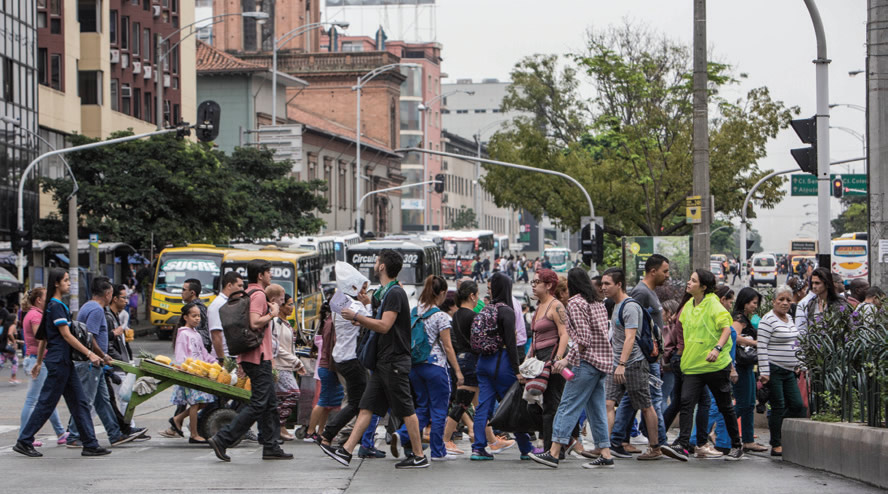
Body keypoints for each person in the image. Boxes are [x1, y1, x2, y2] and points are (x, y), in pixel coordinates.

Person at [320, 250, 430, 469]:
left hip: (394, 361)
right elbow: (378, 318)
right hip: (383, 362)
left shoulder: (395, 293)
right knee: (366, 406)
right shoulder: (385, 293)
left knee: (406, 409)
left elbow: (384, 325)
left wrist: (358, 317)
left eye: (377, 261)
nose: (375, 263)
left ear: (382, 267)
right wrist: (365, 311)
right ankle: (346, 451)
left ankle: (418, 455)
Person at [14, 269, 112, 458]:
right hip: (59, 362)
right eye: (66, 280)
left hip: (62, 361)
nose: (69, 283)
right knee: (46, 403)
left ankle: (90, 444)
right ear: (57, 283)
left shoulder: (54, 305)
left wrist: (40, 361)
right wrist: (90, 353)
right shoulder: (56, 306)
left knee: (80, 402)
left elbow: (43, 337)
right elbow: (66, 335)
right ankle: (24, 440)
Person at [529, 268, 615, 469]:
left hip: (585, 363)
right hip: (601, 363)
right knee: (596, 410)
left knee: (567, 406)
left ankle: (554, 451)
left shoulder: (576, 303)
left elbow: (583, 339)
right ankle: (606, 453)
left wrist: (567, 359)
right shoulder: (597, 303)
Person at [208, 259, 292, 462]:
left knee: (270, 403)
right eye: (269, 272)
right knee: (258, 403)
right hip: (257, 357)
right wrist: (272, 314)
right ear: (261, 275)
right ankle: (223, 438)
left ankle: (271, 446)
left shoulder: (249, 293)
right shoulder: (259, 295)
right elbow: (255, 323)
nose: (271, 276)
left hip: (253, 356)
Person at [661, 269, 744, 462]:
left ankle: (737, 445)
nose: (688, 283)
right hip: (693, 367)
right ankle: (682, 445)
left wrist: (716, 349)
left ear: (704, 287)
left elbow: (726, 328)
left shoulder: (714, 305)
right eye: (689, 280)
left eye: (693, 281)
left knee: (725, 406)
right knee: (686, 403)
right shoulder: (688, 305)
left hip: (715, 366)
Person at [599, 268, 667, 461]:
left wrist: (622, 364)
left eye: (607, 284)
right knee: (608, 403)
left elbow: (630, 338)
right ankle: (604, 447)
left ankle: (655, 447)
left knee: (646, 405)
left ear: (619, 284)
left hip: (634, 364)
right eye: (602, 284)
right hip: (616, 363)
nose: (603, 288)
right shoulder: (615, 305)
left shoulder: (630, 306)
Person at [66, 278, 142, 448]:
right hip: (90, 362)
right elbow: (90, 336)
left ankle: (115, 434)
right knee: (86, 400)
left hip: (95, 363)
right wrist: (102, 354)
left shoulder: (87, 306)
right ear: (108, 294)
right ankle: (74, 435)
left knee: (103, 400)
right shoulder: (97, 310)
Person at [394, 275, 463, 461]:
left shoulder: (415, 312)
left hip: (415, 367)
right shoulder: (441, 316)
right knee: (439, 410)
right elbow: (448, 347)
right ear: (441, 293)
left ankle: (402, 434)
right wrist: (457, 371)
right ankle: (438, 451)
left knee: (422, 408)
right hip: (436, 368)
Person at [320, 262, 384, 458]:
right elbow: (373, 323)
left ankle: (329, 436)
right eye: (363, 288)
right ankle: (329, 435)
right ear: (354, 288)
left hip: (341, 357)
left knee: (357, 401)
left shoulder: (339, 301)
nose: (366, 292)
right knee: (360, 402)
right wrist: (366, 305)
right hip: (351, 359)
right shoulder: (354, 306)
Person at [468, 272, 534, 461]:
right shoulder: (507, 311)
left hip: (483, 362)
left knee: (482, 407)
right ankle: (525, 448)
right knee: (514, 405)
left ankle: (478, 448)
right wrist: (517, 370)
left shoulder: (486, 309)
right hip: (502, 362)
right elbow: (511, 345)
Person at [757, 285, 806, 457]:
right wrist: (764, 371)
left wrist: (800, 363)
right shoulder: (767, 320)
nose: (785, 303)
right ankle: (776, 443)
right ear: (774, 302)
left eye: (788, 300)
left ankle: (777, 426)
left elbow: (796, 343)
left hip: (790, 370)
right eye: (781, 300)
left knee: (797, 405)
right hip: (774, 369)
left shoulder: (789, 319)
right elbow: (761, 346)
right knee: (778, 405)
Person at [526, 268, 570, 453]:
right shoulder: (539, 307)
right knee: (532, 403)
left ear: (549, 285)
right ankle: (553, 446)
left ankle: (553, 450)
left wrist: (558, 360)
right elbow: (535, 337)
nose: (534, 287)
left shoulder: (556, 306)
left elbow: (564, 334)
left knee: (552, 405)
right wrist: (527, 359)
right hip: (538, 360)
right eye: (533, 283)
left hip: (552, 359)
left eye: (537, 282)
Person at [19, 288, 68, 447]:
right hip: (37, 360)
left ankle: (60, 432)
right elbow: (41, 339)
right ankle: (24, 435)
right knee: (32, 400)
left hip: (36, 359)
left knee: (47, 398)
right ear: (39, 300)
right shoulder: (35, 316)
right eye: (46, 297)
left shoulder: (33, 314)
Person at [163, 303, 216, 443]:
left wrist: (214, 362)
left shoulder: (196, 334)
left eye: (198, 316)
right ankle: (194, 434)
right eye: (194, 316)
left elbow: (203, 353)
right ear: (185, 317)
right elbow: (181, 356)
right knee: (195, 403)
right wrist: (187, 369)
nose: (197, 319)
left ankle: (177, 419)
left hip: (199, 373)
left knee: (203, 403)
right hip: (190, 374)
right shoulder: (183, 334)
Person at [731, 287, 767, 452]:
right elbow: (734, 336)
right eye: (753, 303)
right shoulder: (739, 319)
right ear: (745, 303)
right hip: (740, 365)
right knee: (744, 402)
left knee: (750, 402)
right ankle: (721, 429)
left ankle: (748, 439)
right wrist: (754, 343)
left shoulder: (747, 318)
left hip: (747, 365)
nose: (755, 306)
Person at [271, 291, 307, 441]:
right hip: (279, 365)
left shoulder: (285, 322)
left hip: (287, 365)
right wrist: (296, 361)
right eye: (289, 304)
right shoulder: (275, 323)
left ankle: (280, 427)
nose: (292, 307)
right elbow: (276, 347)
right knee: (293, 392)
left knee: (280, 398)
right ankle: (279, 425)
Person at [207, 271, 244, 363]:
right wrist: (222, 360)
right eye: (239, 286)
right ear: (229, 286)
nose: (242, 289)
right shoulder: (218, 304)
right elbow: (216, 335)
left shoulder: (229, 302)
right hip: (225, 357)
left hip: (233, 356)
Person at [0, 300, 20, 384]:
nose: (17, 320)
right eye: (16, 318)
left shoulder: (5, 325)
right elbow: (10, 334)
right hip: (8, 348)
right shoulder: (12, 325)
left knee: (1, 363)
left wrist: (19, 341)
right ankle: (13, 377)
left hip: (3, 346)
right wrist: (14, 342)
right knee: (15, 361)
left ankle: (13, 377)